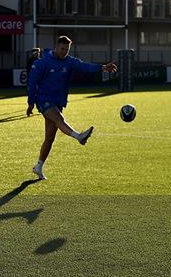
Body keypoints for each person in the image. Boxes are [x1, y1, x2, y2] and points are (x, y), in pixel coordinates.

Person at [27, 35, 117, 180]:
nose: (64, 52)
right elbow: (32, 82)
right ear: (56, 47)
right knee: (59, 118)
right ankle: (78, 136)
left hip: (58, 101)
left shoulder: (69, 61)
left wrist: (103, 67)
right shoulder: (44, 62)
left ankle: (38, 167)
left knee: (49, 138)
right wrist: (31, 102)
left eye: (67, 50)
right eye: (62, 49)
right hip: (44, 100)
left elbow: (85, 66)